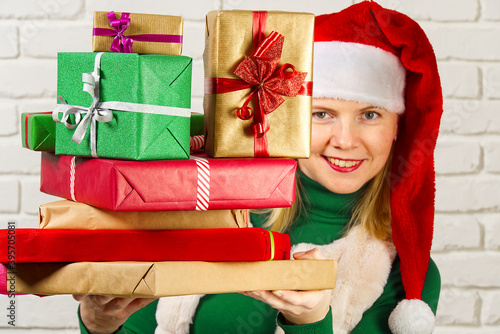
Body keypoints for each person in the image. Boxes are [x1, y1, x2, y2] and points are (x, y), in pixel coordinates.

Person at [75, 1, 443, 333]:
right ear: (291, 118)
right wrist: (99, 324)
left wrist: (310, 321)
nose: (345, 140)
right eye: (322, 114)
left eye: (370, 114)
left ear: (398, 126)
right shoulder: (217, 209)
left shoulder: (408, 278)